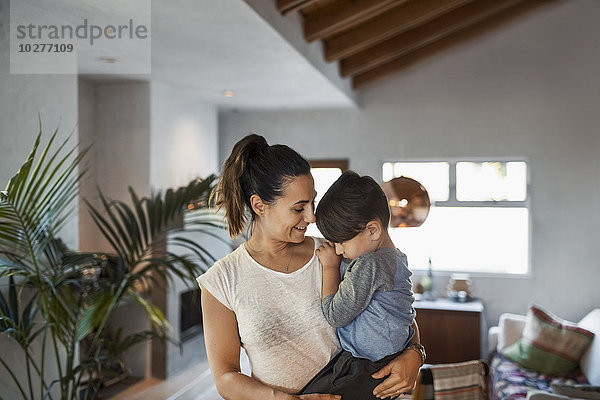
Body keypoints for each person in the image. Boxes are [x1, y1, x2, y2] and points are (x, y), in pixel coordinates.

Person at [197, 134, 423, 400]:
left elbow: (395, 312)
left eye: (312, 202)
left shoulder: (334, 252)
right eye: (298, 208)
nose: (312, 216)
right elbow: (226, 379)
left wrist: (415, 354)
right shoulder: (221, 281)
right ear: (259, 205)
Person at [300, 171, 424, 400]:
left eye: (341, 242)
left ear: (373, 230)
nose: (338, 250)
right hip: (383, 359)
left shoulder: (371, 264)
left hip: (370, 368)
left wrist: (329, 266)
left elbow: (335, 315)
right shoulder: (393, 257)